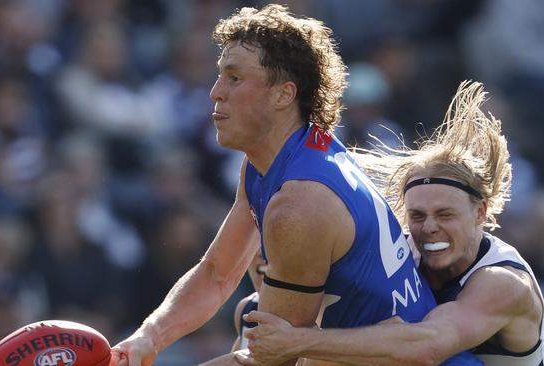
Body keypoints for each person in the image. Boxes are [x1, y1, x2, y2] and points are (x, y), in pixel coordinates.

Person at [111, 4, 479, 366]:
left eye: (234, 78)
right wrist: (148, 337)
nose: (215, 91)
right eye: (220, 75)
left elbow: (276, 361)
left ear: (284, 94)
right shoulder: (285, 154)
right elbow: (217, 274)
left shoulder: (300, 204)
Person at [237, 81, 544, 366]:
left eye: (445, 215)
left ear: (480, 212)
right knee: (250, 313)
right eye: (417, 216)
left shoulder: (504, 283)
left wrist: (294, 342)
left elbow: (426, 347)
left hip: (428, 352)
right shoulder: (402, 253)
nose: (429, 227)